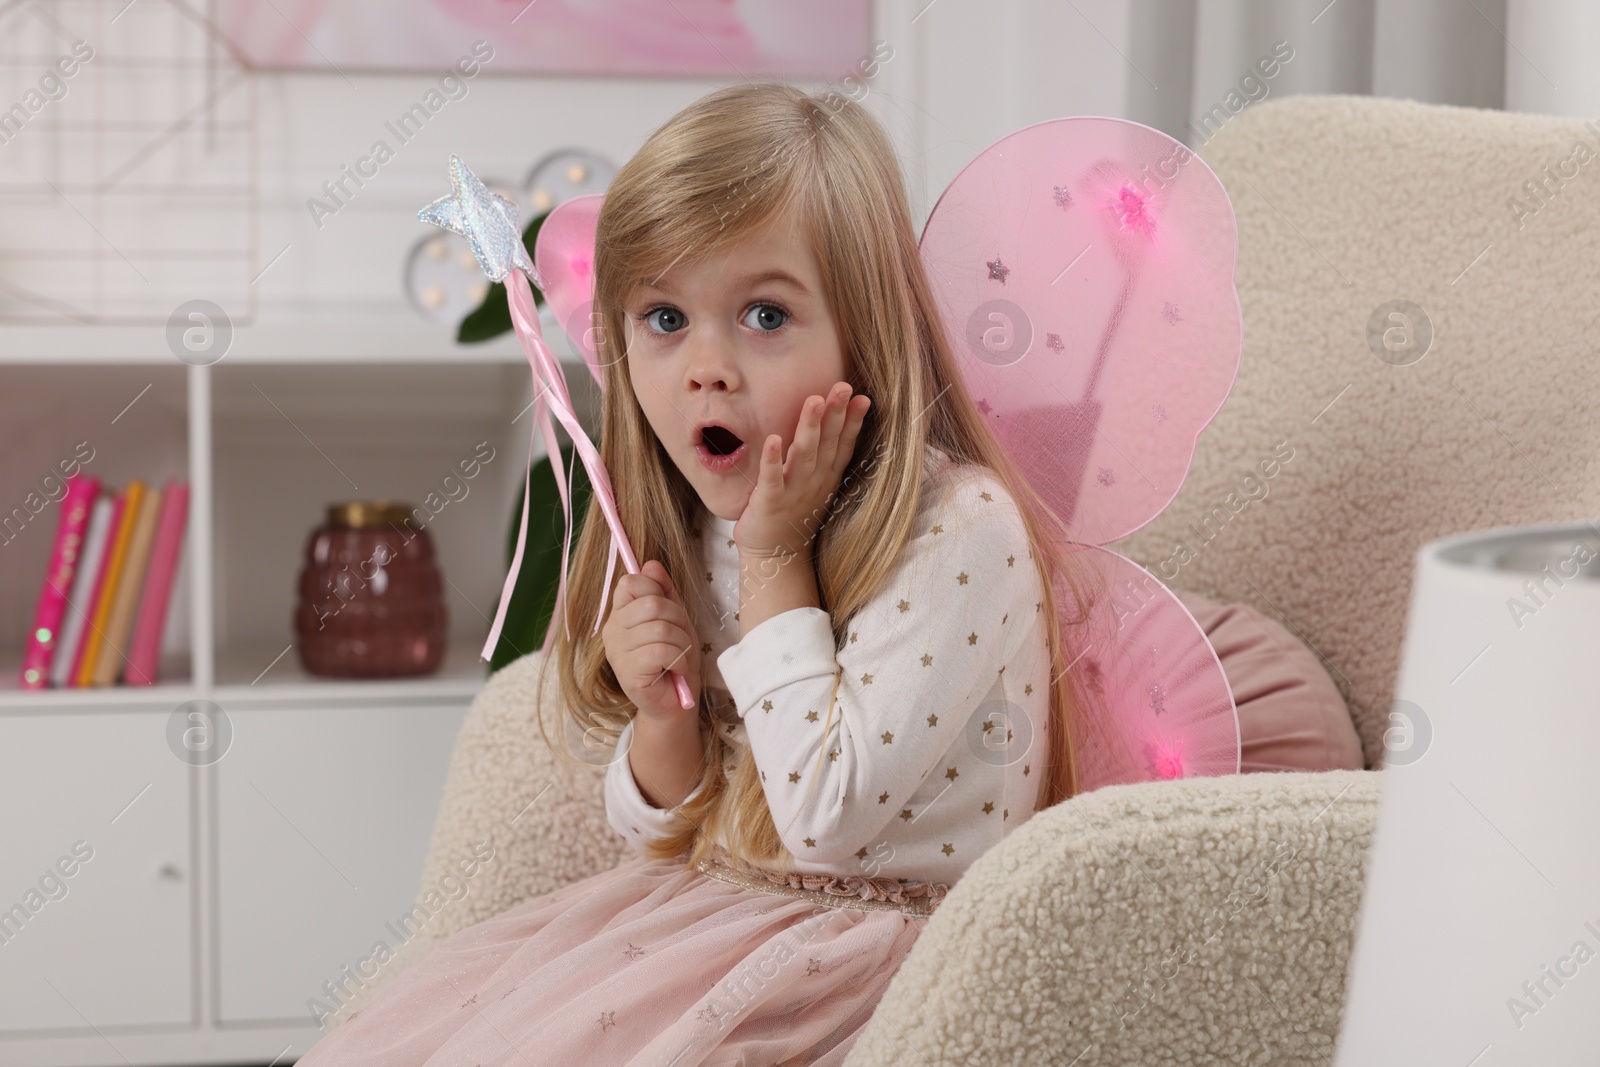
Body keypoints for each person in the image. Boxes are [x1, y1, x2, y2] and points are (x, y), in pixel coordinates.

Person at [292, 79, 1230, 1065]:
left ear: (867, 337)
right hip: (720, 906)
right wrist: (663, 717)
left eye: (765, 316)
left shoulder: (958, 531)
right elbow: (662, 822)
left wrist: (777, 561)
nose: (706, 367)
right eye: (663, 318)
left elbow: (824, 817)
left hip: (883, 952)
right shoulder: (703, 524)